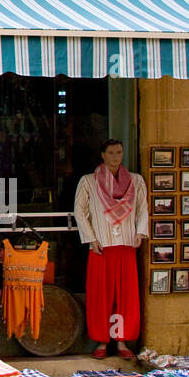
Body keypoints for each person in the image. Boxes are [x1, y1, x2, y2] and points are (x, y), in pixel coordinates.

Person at [74, 138, 147, 359]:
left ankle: (122, 342)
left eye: (119, 153)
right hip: (101, 247)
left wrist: (139, 232)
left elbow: (143, 208)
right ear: (103, 155)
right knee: (101, 295)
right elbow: (80, 211)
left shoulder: (135, 181)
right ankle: (102, 341)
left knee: (125, 295)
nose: (116, 157)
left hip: (125, 245)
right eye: (112, 153)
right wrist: (91, 238)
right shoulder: (89, 181)